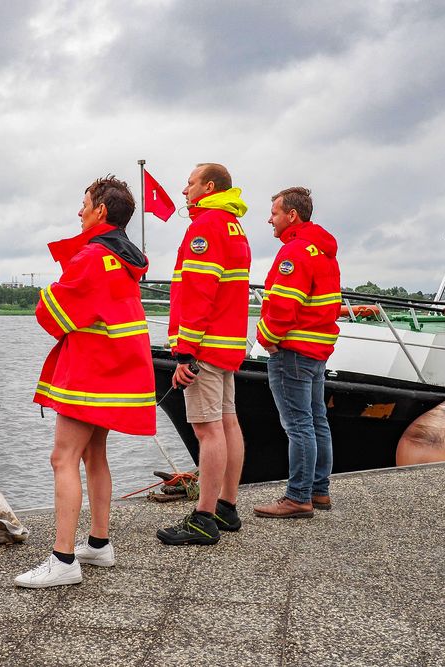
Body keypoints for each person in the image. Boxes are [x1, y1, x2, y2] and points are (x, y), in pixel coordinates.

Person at [14, 176, 155, 588]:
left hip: (91, 374)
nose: (79, 212)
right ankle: (98, 543)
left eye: (84, 205)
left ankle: (63, 559)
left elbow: (53, 315)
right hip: (116, 371)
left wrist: (46, 293)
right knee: (95, 456)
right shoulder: (125, 259)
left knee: (63, 458)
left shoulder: (93, 256)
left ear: (101, 212)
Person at [156, 163, 250, 546]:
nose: (184, 190)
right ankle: (227, 506)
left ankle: (203, 517)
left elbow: (198, 292)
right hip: (227, 345)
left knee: (207, 430)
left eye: (190, 183)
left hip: (205, 347)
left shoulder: (207, 225)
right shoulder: (234, 225)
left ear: (208, 186)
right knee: (228, 423)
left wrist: (184, 354)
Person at [252, 187, 340, 519]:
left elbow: (284, 307)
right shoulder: (323, 251)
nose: (269, 220)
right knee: (317, 421)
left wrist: (266, 338)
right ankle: (318, 491)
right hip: (316, 350)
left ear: (291, 216)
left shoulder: (295, 252)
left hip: (292, 351)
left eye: (274, 213)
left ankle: (298, 497)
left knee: (299, 425)